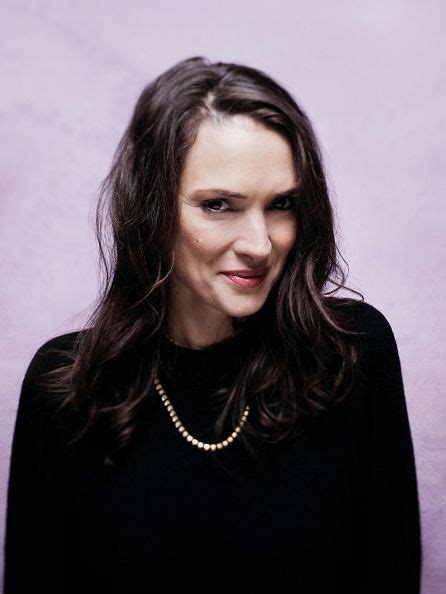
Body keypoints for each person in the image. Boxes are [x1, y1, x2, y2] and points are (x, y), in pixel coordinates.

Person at [3, 56, 422, 594]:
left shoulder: (351, 352)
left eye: (282, 204)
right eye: (219, 204)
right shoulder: (65, 384)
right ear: (151, 209)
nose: (260, 244)